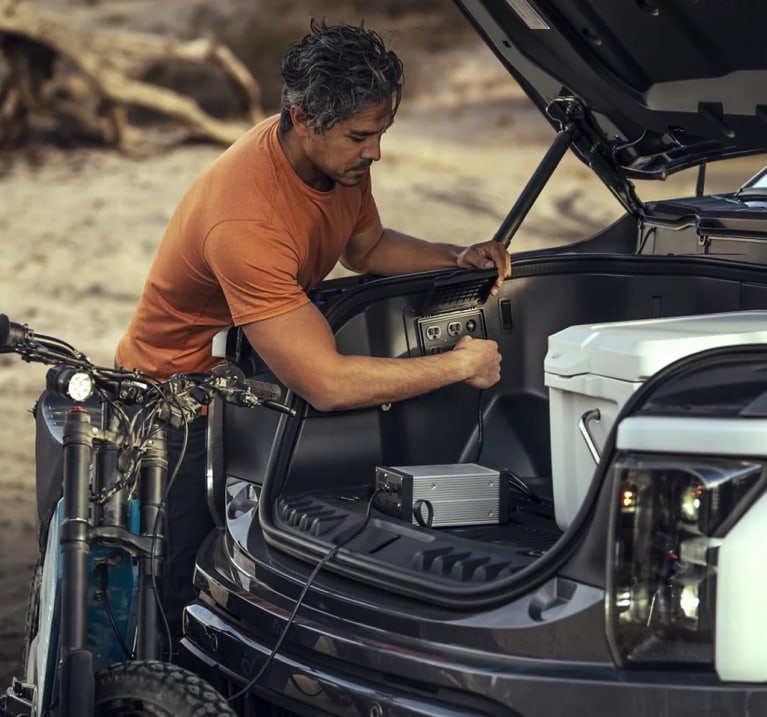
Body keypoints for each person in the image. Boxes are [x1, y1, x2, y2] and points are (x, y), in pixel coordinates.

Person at [115, 19, 510, 654]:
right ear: (302, 118)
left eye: (380, 133)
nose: (375, 151)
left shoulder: (341, 166)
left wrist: (453, 255)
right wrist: (458, 366)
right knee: (177, 584)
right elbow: (325, 383)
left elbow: (368, 246)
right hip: (171, 399)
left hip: (247, 379)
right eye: (361, 136)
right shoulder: (245, 220)